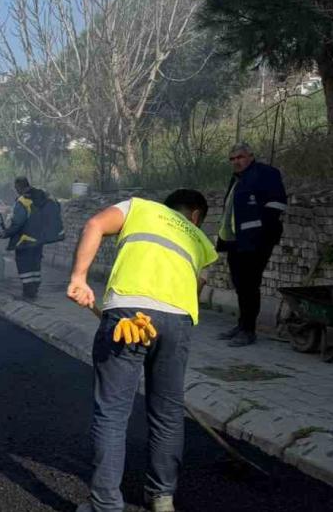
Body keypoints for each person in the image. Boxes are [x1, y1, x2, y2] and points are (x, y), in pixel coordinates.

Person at [66, 189, 218, 512]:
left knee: (112, 412)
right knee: (168, 414)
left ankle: (105, 505)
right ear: (194, 216)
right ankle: (161, 498)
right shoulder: (202, 243)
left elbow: (94, 224)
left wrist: (79, 278)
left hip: (129, 315)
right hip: (178, 322)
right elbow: (195, 290)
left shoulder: (139, 208)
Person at [217, 142, 287, 348]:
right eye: (232, 159)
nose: (236, 162)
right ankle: (241, 325)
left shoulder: (266, 173)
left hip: (256, 242)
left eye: (239, 157)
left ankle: (249, 331)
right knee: (240, 284)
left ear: (251, 156)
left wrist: (260, 231)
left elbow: (277, 203)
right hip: (234, 242)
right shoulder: (237, 179)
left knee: (249, 285)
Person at [2, 177, 64, 300]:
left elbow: (18, 222)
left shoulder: (23, 200)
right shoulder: (42, 196)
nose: (16, 190)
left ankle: (28, 293)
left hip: (24, 240)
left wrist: (5, 233)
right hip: (39, 239)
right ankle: (34, 290)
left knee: (25, 267)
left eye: (16, 188)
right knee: (35, 266)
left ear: (19, 187)